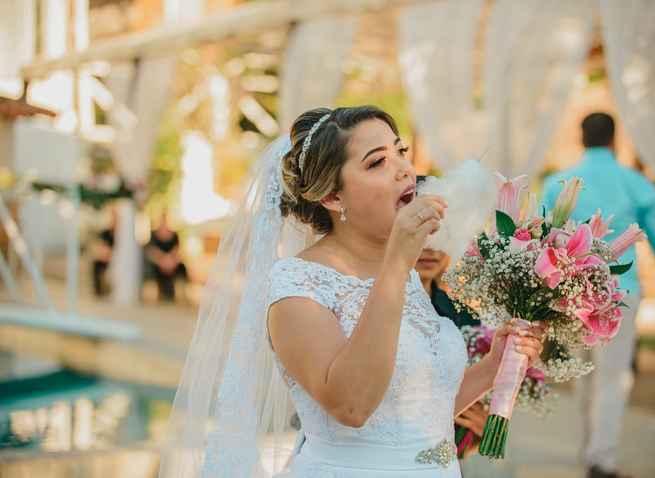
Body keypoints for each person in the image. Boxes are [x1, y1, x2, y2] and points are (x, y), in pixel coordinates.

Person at [160, 106, 545, 478]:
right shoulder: (298, 285)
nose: (404, 170)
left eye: (401, 152)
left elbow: (411, 417)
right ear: (333, 197)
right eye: (377, 162)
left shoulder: (406, 277)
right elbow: (353, 405)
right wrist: (396, 263)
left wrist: (493, 368)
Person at [541, 112, 655, 478]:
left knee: (584, 373)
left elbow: (542, 234)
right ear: (613, 139)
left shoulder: (559, 183)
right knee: (612, 375)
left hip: (570, 294)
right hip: (620, 292)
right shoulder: (634, 183)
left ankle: (589, 450)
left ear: (581, 137)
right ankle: (600, 457)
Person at [415, 248, 489, 464]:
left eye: (442, 236)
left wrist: (480, 433)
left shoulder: (467, 317)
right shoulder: (371, 303)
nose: (431, 248)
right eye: (423, 236)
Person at [145, 212, 187, 301]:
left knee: (182, 267)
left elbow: (178, 250)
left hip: (172, 262)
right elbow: (151, 250)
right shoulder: (153, 234)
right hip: (159, 262)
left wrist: (171, 261)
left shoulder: (175, 235)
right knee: (151, 268)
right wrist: (162, 261)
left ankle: (182, 294)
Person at [90, 208, 117, 297]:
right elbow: (101, 245)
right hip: (106, 256)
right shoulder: (105, 232)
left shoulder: (119, 233)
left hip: (115, 257)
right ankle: (98, 290)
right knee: (96, 264)